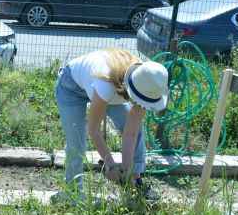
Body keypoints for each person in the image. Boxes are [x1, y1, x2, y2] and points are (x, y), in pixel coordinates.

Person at [55, 48, 169, 200]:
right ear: (132, 91)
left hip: (112, 88)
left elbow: (131, 133)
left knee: (138, 131)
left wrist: (126, 169)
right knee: (77, 142)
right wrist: (110, 164)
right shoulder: (106, 85)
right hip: (72, 86)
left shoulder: (147, 83)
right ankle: (72, 192)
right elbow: (93, 129)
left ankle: (134, 181)